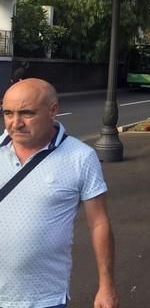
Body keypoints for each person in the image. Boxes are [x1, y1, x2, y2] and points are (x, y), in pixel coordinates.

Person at [0, 79, 118, 308]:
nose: (15, 123)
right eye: (8, 113)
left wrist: (106, 286)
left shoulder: (80, 157)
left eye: (27, 113)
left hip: (43, 298)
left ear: (53, 110)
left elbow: (99, 223)